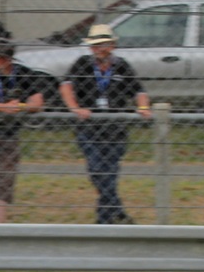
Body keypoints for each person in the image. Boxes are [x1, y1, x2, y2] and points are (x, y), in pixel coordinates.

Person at [60, 24, 152, 225]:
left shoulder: (122, 66)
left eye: (105, 44)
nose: (100, 48)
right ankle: (117, 211)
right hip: (89, 128)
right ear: (91, 48)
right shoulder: (82, 64)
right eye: (96, 45)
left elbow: (139, 91)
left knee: (110, 172)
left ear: (113, 45)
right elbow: (66, 86)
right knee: (96, 169)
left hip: (115, 129)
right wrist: (75, 108)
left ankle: (105, 219)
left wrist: (143, 107)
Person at [0, 39, 45, 223]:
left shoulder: (24, 74)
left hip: (9, 133)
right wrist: (2, 107)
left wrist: (19, 106)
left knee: (5, 176)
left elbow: (37, 103)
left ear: (6, 59)